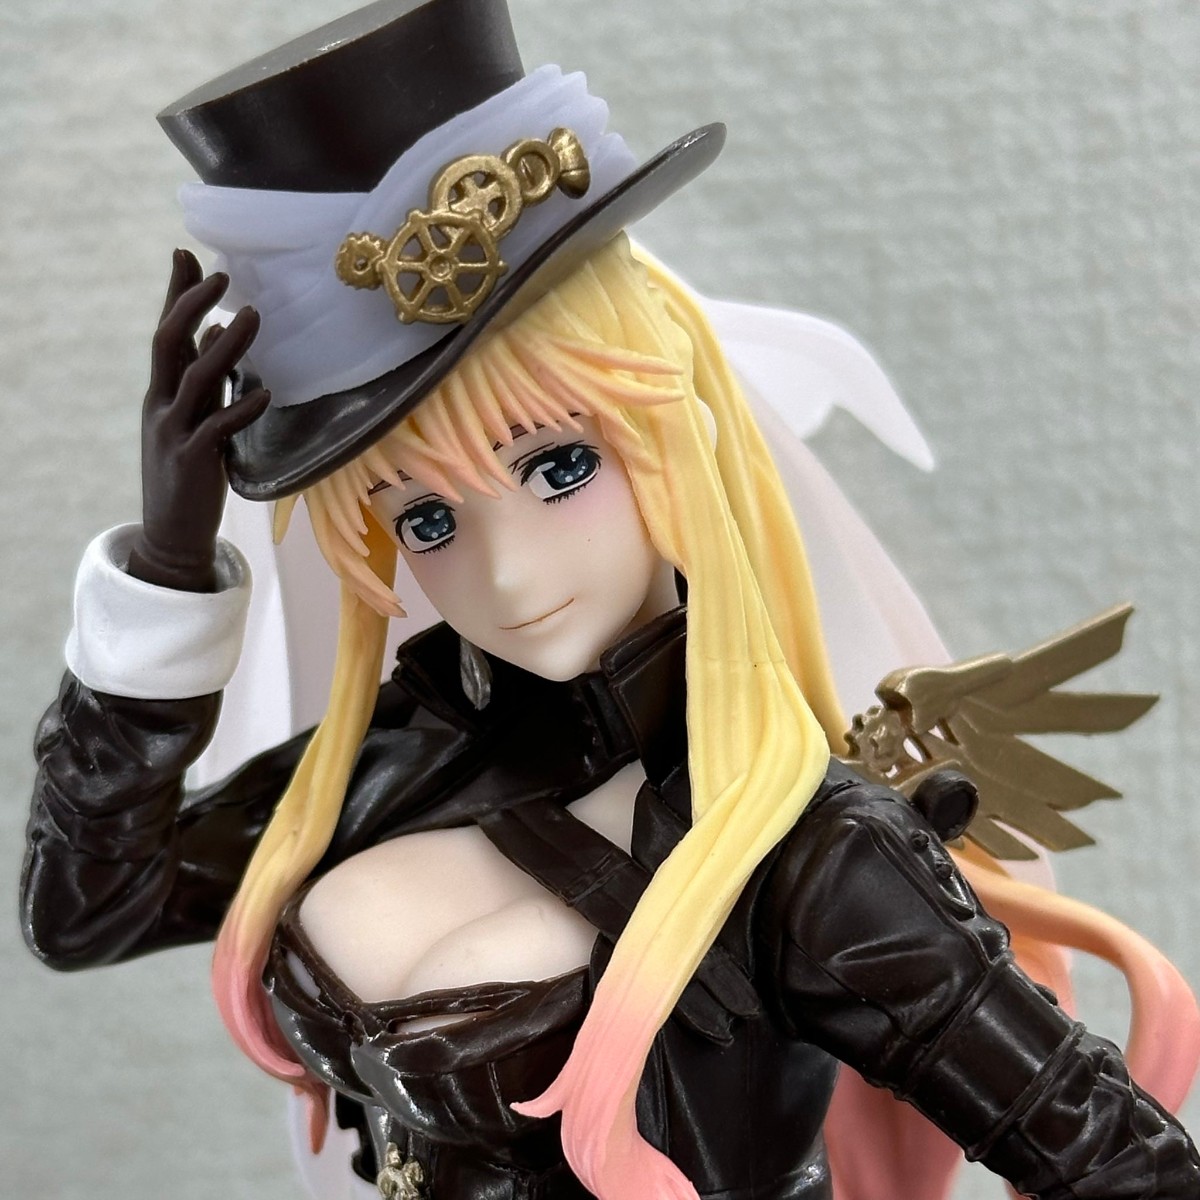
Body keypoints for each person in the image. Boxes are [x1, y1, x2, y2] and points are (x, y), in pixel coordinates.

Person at [21, 2, 1200, 1198]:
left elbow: (1125, 1169)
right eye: (427, 522)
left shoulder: (815, 856)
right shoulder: (401, 756)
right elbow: (88, 911)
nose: (507, 574)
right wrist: (164, 578)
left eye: (559, 468)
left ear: (672, 437)